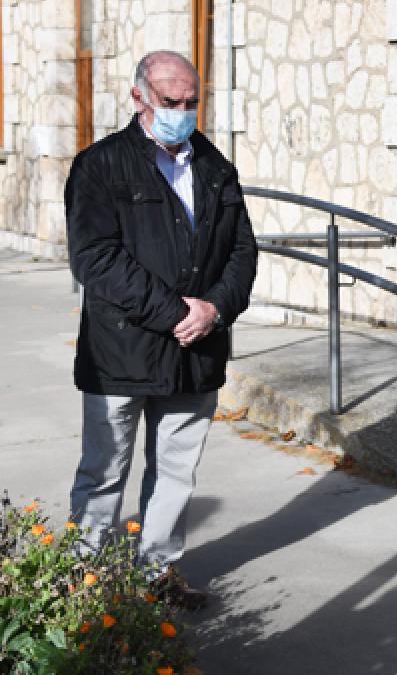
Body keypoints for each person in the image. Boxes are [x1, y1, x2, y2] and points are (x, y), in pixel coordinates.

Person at [64, 51, 258, 609]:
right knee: (104, 473)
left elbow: (243, 250)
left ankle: (157, 577)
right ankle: (84, 584)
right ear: (139, 99)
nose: (182, 111)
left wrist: (214, 310)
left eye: (191, 102)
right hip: (121, 350)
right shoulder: (100, 166)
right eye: (170, 102)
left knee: (175, 472)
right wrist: (178, 313)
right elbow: (95, 259)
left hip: (196, 352)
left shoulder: (215, 166)